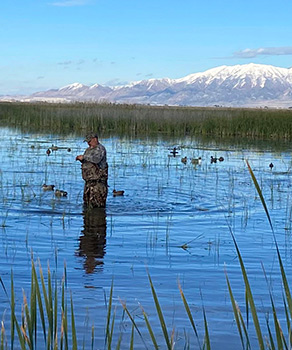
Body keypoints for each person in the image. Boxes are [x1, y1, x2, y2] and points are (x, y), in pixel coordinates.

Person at [76, 132, 108, 208]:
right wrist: (81, 160)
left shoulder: (100, 149)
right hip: (88, 183)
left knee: (97, 206)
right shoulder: (88, 150)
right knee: (87, 205)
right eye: (87, 141)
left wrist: (84, 157)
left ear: (95, 139)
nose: (88, 143)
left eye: (89, 141)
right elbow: (89, 162)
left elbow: (96, 159)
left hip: (98, 184)